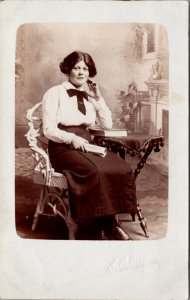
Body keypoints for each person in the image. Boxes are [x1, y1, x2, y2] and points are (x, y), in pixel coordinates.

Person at [42, 50, 137, 240]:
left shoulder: (89, 95)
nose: (81, 73)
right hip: (62, 146)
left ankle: (107, 223)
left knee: (120, 167)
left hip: (86, 143)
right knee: (94, 170)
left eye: (85, 68)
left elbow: (107, 124)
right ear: (68, 69)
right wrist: (72, 139)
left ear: (89, 72)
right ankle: (104, 225)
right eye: (77, 68)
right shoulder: (55, 93)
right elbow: (48, 130)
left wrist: (98, 98)